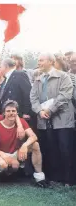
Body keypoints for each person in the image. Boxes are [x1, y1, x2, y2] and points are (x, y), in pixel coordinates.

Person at [30, 53, 74, 187]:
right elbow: (33, 98)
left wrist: (50, 110)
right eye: (38, 60)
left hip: (63, 120)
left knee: (65, 149)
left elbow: (65, 95)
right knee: (51, 149)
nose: (39, 63)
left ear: (51, 61)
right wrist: (40, 111)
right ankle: (55, 178)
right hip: (45, 121)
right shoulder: (38, 79)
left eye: (41, 60)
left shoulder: (63, 76)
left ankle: (68, 180)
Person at [0, 100, 49, 188]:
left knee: (35, 145)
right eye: (8, 111)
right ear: (4, 113)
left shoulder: (21, 122)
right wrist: (3, 155)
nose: (11, 113)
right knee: (5, 166)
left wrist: (24, 145)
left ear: (17, 113)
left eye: (13, 111)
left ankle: (40, 178)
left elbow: (33, 136)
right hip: (2, 154)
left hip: (16, 152)